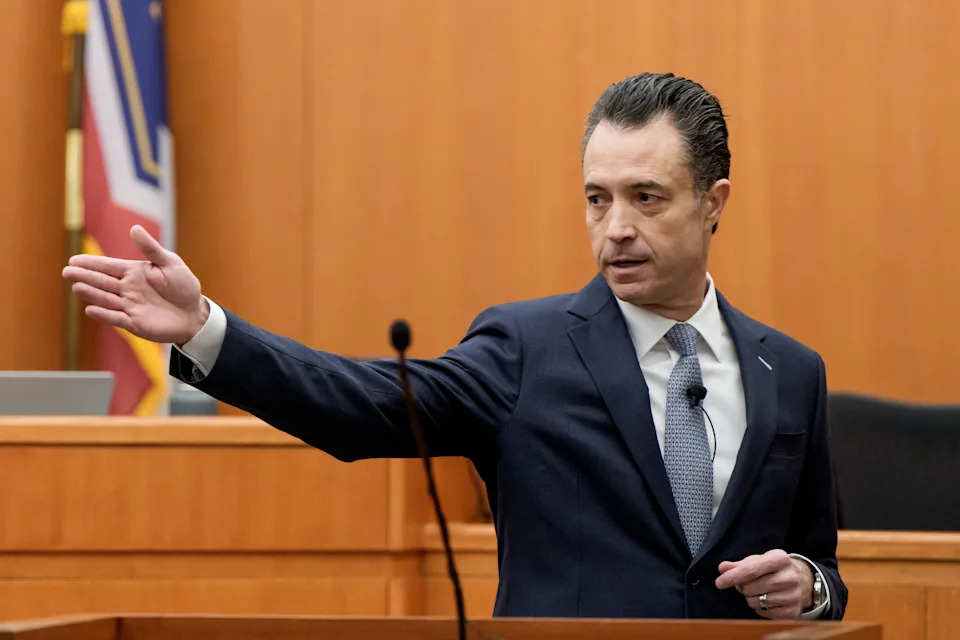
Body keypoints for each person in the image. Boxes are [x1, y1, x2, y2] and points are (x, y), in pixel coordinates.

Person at [62, 72, 847, 620]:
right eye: (596, 199)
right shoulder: (526, 350)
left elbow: (823, 566)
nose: (615, 229)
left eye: (646, 198)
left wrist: (809, 586)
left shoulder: (790, 372)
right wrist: (206, 330)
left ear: (713, 203)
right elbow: (360, 406)